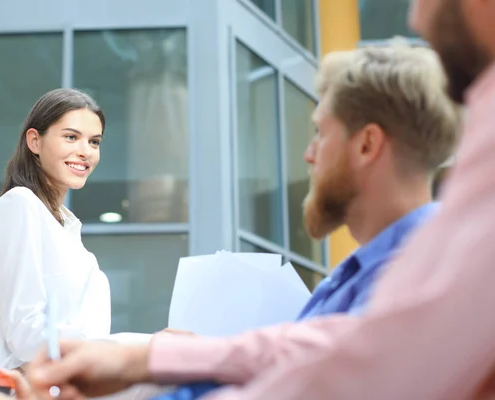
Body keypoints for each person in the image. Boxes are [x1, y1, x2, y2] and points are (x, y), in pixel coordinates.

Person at [26, 22, 495, 397]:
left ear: (367, 144)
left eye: (320, 133)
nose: (309, 154)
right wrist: (158, 359)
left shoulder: (416, 270)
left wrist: (151, 362)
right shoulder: (360, 274)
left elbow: (329, 374)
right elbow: (308, 353)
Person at [0, 88, 112, 372]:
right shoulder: (19, 206)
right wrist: (117, 353)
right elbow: (25, 333)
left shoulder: (66, 227)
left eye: (94, 142)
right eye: (71, 137)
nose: (85, 151)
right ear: (35, 141)